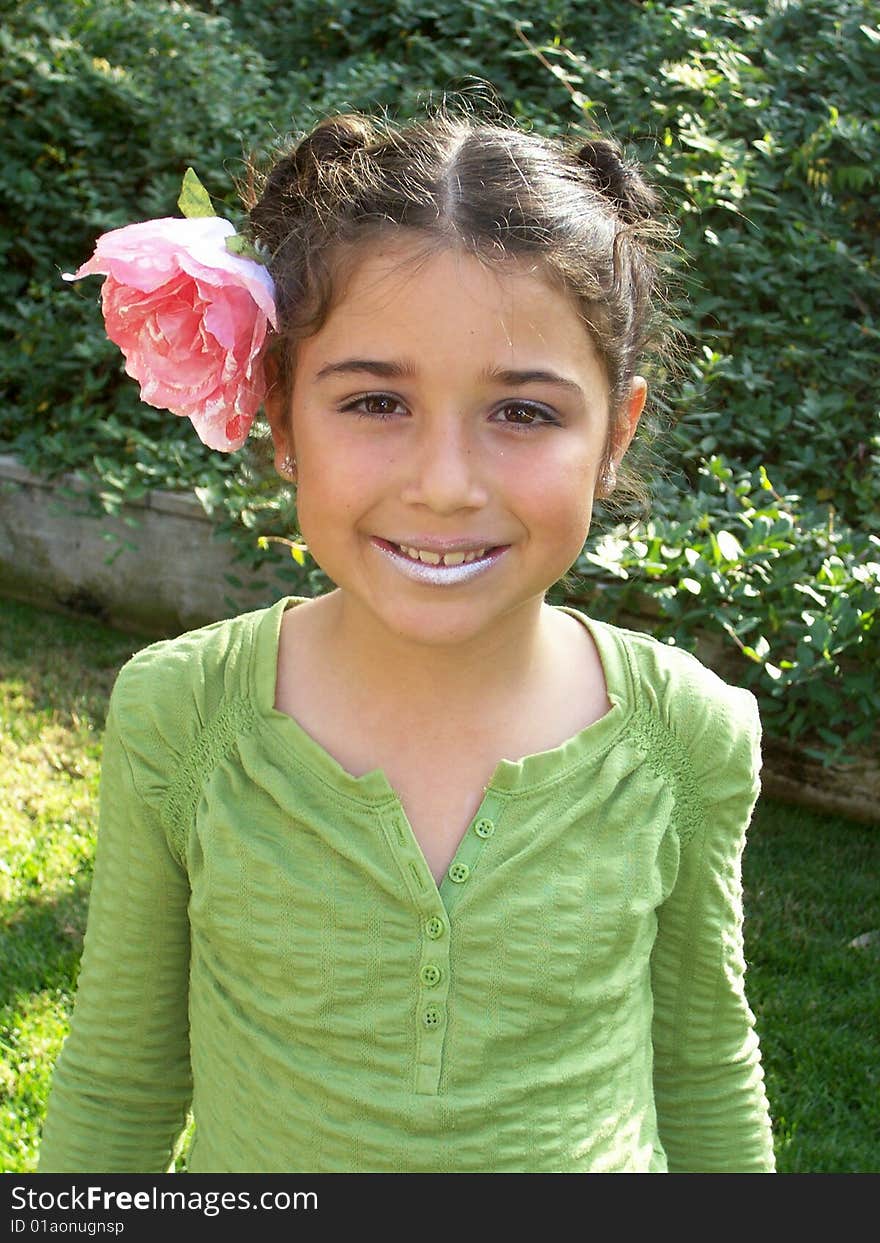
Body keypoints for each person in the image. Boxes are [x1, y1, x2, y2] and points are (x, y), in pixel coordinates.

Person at [38, 107, 775, 1174]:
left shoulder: (690, 733)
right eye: (377, 400)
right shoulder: (181, 712)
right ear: (284, 421)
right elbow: (123, 1076)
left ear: (613, 434)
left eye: (523, 413)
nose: (443, 485)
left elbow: (703, 1065)